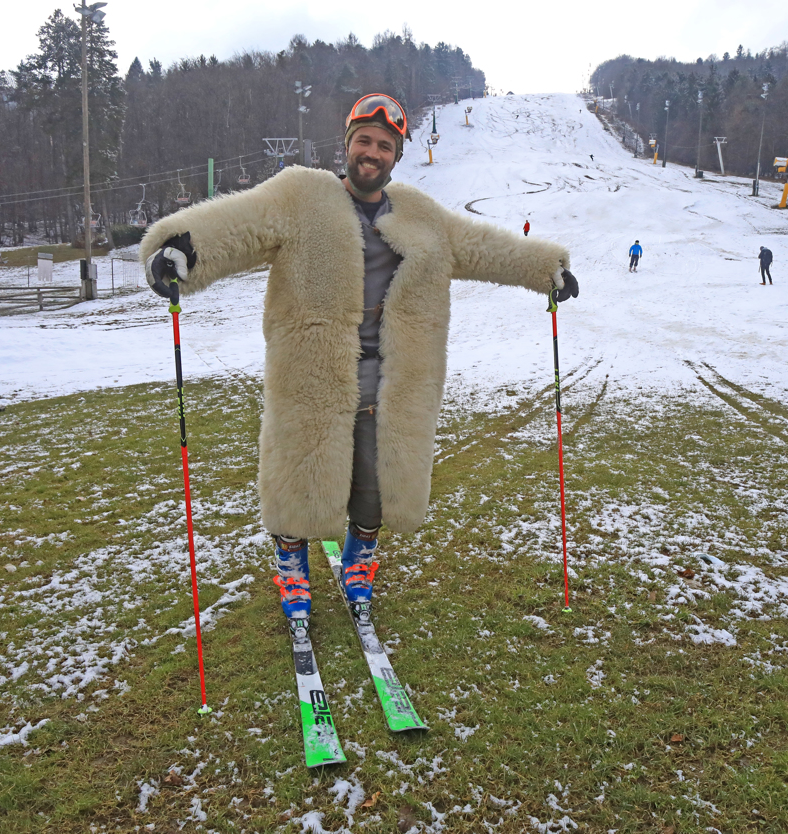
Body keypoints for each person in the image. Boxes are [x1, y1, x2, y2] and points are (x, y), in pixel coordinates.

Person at [140, 93, 579, 634]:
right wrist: (179, 248)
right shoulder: (301, 196)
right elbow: (238, 225)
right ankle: (292, 568)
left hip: (394, 377)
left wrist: (546, 269)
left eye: (385, 146)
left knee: (376, 485)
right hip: (311, 371)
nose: (372, 153)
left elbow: (484, 246)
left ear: (397, 156)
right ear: (346, 145)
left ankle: (358, 563)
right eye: (364, 142)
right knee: (299, 474)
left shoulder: (419, 214)